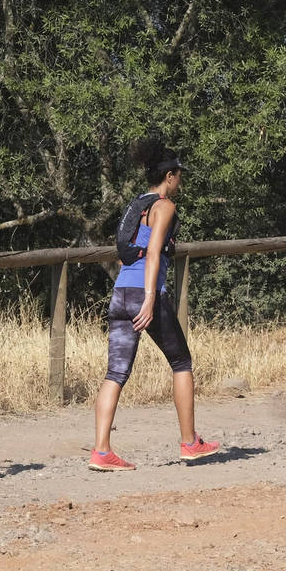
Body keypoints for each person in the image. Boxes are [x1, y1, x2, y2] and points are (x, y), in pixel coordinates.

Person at [89, 137, 221, 471]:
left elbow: (125, 253)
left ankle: (101, 451)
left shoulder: (135, 206)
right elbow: (151, 254)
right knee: (181, 362)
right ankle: (191, 443)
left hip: (119, 294)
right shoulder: (164, 207)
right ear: (170, 176)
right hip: (142, 294)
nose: (181, 181)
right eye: (179, 175)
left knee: (115, 372)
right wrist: (149, 299)